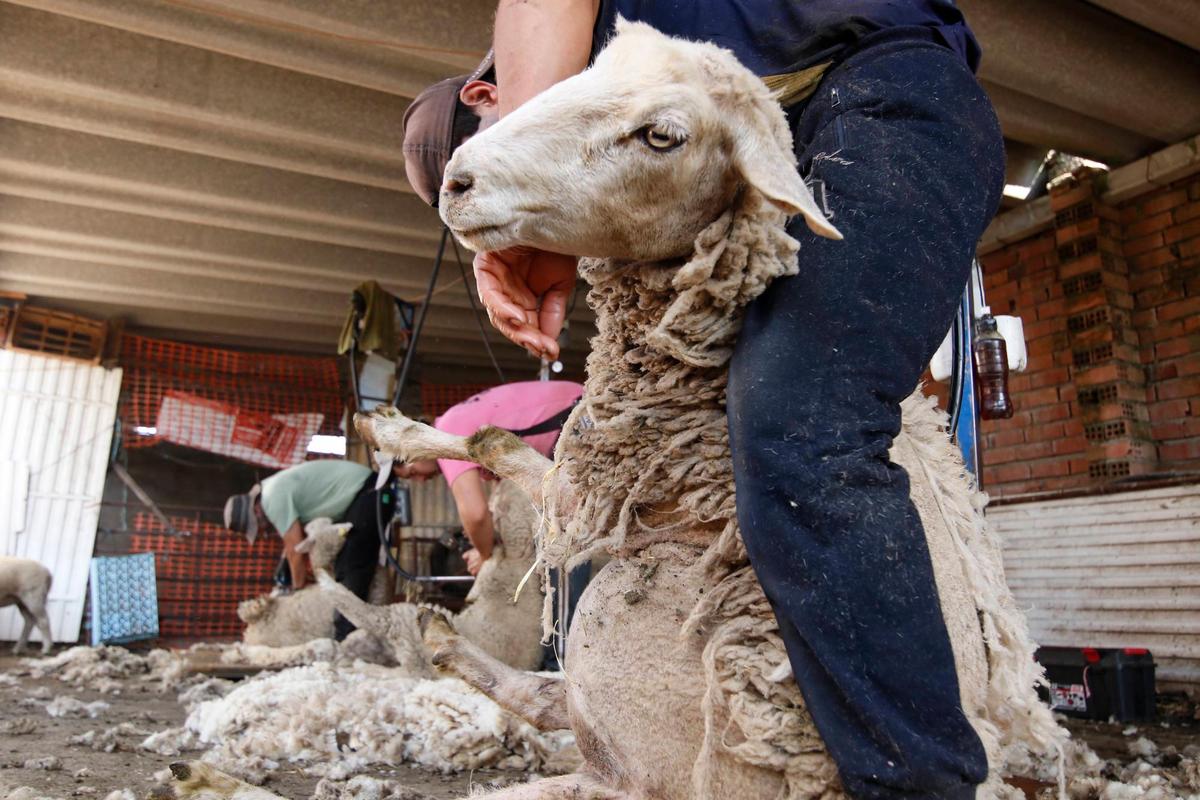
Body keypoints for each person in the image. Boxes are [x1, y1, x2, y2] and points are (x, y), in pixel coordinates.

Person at [403, 3, 1005, 798]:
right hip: (712, 137)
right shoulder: (623, 62)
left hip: (876, 89)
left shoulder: (600, 60)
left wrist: (522, 210)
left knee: (804, 421)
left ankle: (921, 782)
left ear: (487, 99)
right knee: (666, 431)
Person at [385, 380, 583, 577]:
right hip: (573, 415)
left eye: (413, 473)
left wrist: (484, 555)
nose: (420, 480)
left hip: (577, 423)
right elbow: (508, 489)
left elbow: (476, 515)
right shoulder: (453, 420)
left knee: (571, 541)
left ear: (410, 450)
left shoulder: (446, 434)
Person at [224, 458, 400, 640]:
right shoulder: (271, 489)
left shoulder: (271, 499)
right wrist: (284, 574)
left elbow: (295, 550)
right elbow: (291, 547)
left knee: (351, 566)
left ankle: (346, 637)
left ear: (256, 512)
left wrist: (297, 593)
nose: (262, 530)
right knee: (347, 564)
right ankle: (352, 632)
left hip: (369, 492)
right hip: (364, 493)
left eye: (257, 526)